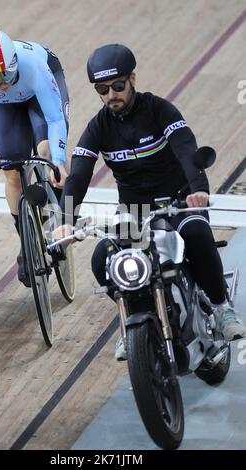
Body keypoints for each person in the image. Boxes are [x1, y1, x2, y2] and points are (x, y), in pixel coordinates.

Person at [57, 43, 246, 358]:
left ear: (132, 78)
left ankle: (221, 306)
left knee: (197, 233)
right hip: (135, 208)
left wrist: (198, 190)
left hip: (179, 197)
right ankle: (133, 318)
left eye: (117, 86)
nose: (111, 95)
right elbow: (78, 176)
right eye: (102, 89)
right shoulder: (97, 128)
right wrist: (64, 220)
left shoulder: (160, 110)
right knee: (102, 259)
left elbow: (186, 150)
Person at [0, 28, 69, 286]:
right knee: (11, 172)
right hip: (0, 105)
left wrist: (60, 161)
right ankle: (28, 245)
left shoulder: (33, 66)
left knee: (47, 152)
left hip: (37, 91)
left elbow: (54, 118)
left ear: (14, 63)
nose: (1, 82)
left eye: (6, 73)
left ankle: (63, 215)